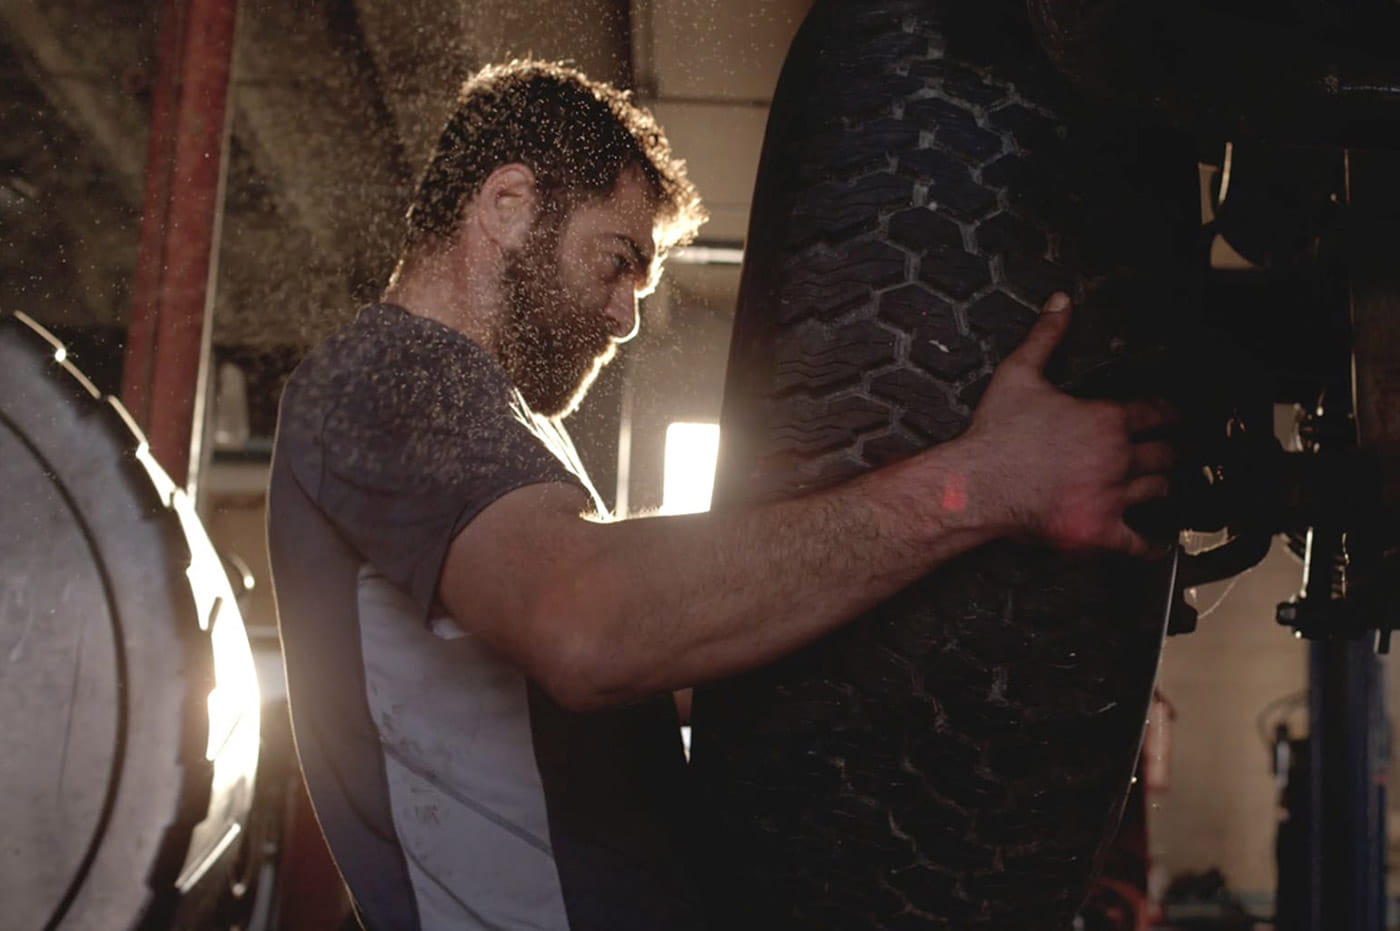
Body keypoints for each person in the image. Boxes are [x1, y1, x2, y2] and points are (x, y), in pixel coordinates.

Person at [267, 60, 1176, 931]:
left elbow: (590, 684)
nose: (626, 318)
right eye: (618, 260)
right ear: (508, 204)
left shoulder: (489, 420)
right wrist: (983, 482)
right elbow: (590, 627)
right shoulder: (390, 373)